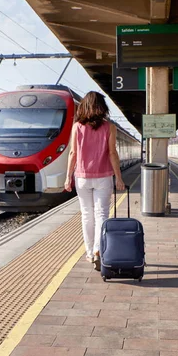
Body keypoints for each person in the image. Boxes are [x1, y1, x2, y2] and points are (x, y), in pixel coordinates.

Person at [64, 91, 125, 270]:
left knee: (86, 215)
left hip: (81, 177)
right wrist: (118, 178)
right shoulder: (110, 127)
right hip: (104, 177)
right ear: (102, 107)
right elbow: (112, 153)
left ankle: (90, 253)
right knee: (102, 215)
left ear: (84, 106)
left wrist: (68, 177)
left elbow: (73, 153)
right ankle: (99, 250)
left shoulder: (77, 127)